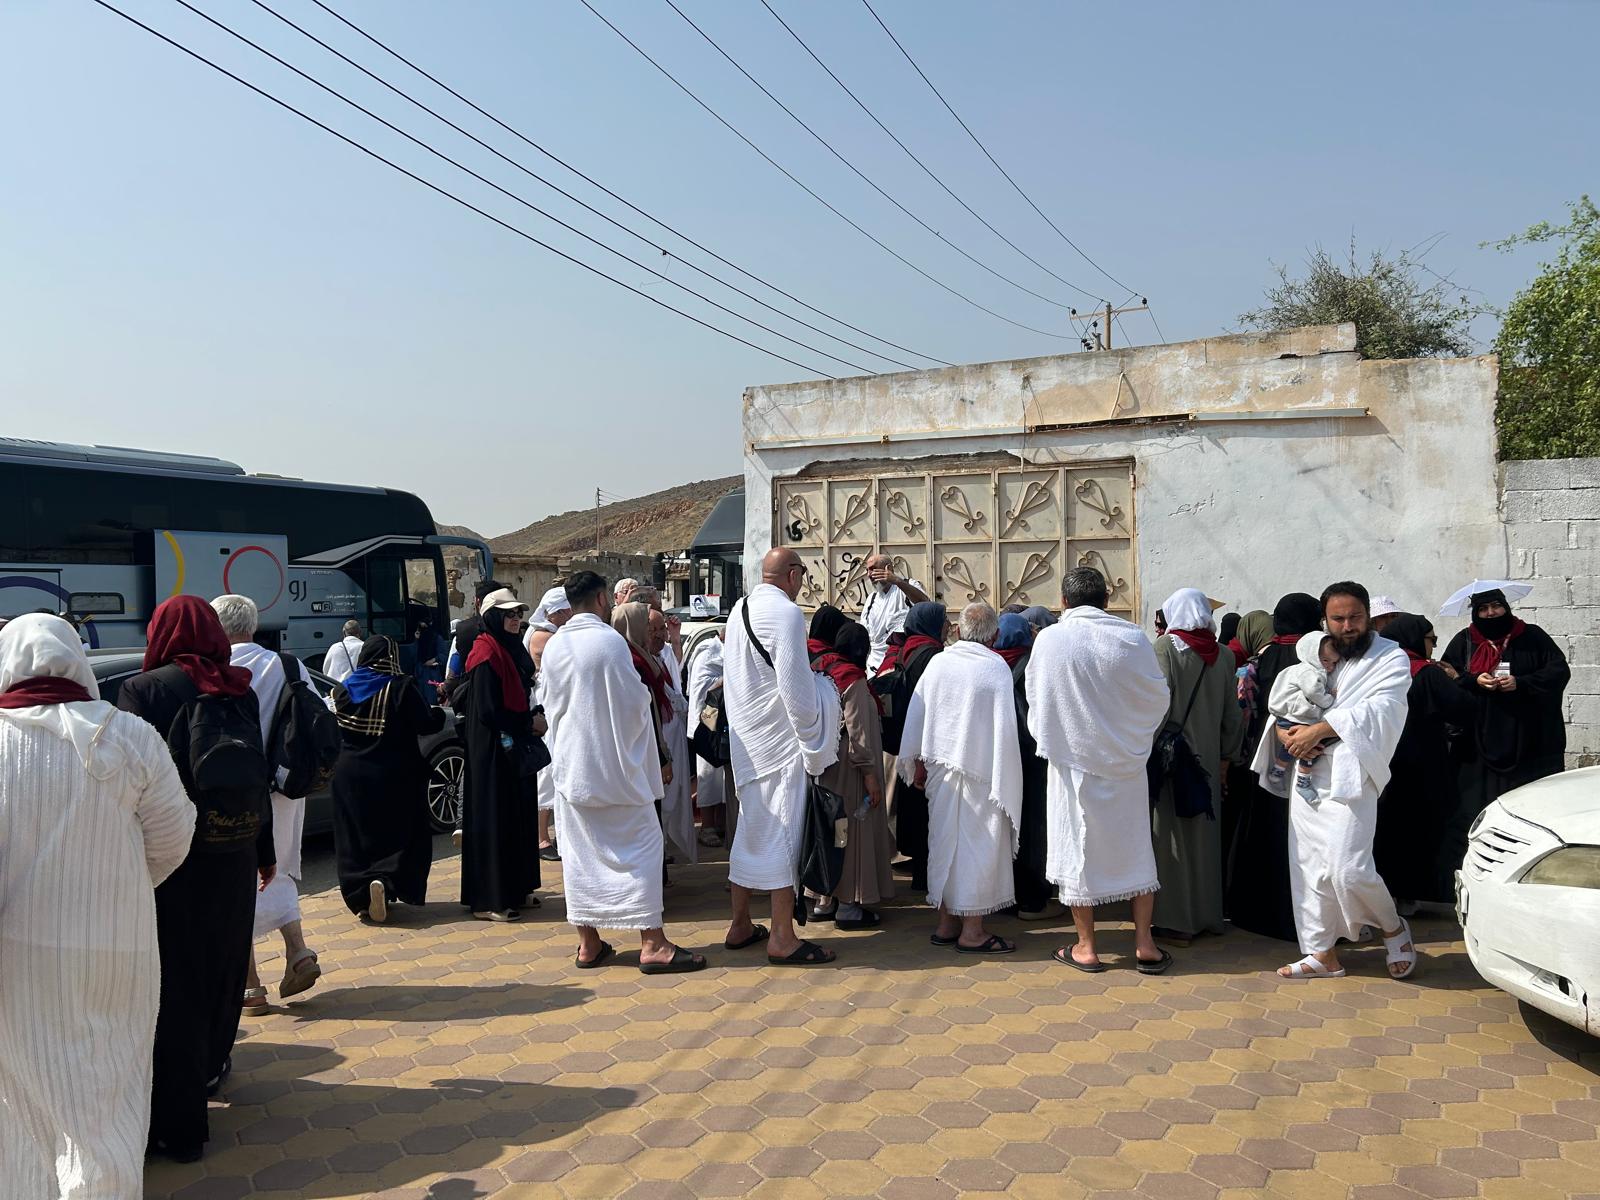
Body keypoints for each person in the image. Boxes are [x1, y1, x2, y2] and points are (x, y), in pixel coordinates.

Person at [0, 615, 195, 1197]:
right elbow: (173, 838)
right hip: (116, 951)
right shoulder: (130, 736)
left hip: (15, 959)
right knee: (109, 1091)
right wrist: (122, 888)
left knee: (21, 1097)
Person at [116, 595, 273, 1161]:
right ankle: (211, 1065)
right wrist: (264, 850)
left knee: (174, 976)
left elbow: (132, 780)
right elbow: (254, 775)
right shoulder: (239, 688)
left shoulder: (145, 690)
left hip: (172, 856)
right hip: (234, 846)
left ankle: (176, 1111)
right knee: (224, 962)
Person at [1249, 582, 1417, 981]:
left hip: (1352, 773)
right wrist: (1286, 732)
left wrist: (1322, 729)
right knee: (1309, 866)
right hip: (1307, 775)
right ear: (1325, 620)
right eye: (1338, 619)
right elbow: (1287, 698)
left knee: (1348, 868)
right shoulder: (1316, 655)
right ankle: (1321, 951)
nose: (1347, 626)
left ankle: (1393, 927)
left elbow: (1385, 709)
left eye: (1355, 617)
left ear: (1369, 616)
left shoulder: (1389, 658)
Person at [542, 572, 707, 974]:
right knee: (644, 848)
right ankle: (653, 943)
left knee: (579, 858)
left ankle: (588, 944)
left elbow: (549, 703)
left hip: (573, 771)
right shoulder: (610, 642)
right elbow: (635, 703)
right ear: (602, 599)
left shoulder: (555, 644)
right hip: (615, 772)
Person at [1027, 568, 1171, 973]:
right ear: (1107, 600)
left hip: (1074, 764)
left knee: (1077, 851)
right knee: (1136, 849)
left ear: (1063, 601)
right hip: (1126, 764)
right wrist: (1129, 736)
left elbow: (1037, 697)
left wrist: (1065, 735)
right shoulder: (1133, 638)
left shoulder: (1051, 639)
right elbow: (1158, 697)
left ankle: (1086, 947)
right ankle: (1145, 944)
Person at [723, 548, 842, 966]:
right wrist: (814, 742)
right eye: (803, 574)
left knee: (750, 831)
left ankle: (740, 924)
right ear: (792, 575)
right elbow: (798, 694)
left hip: (747, 742)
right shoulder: (787, 614)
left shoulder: (739, 609)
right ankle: (782, 937)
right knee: (783, 836)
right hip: (778, 744)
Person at [211, 594, 322, 1009]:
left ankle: (250, 983)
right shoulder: (287, 665)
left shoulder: (216, 670)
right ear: (253, 626)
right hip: (284, 786)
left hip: (235, 788)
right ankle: (297, 950)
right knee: (280, 867)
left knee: (237, 878)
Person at [899, 602, 1022, 953]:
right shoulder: (995, 667)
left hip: (940, 770)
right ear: (994, 635)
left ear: (957, 630)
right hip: (983, 773)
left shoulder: (939, 662)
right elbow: (1005, 729)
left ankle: (946, 923)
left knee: (943, 844)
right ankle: (972, 931)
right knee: (978, 848)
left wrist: (918, 762)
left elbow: (918, 715)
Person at [328, 635, 448, 921]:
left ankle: (360, 895)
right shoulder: (401, 687)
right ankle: (385, 880)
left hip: (347, 775)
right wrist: (440, 714)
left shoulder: (341, 691)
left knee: (354, 835)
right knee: (397, 830)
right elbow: (425, 723)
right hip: (391, 773)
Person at [1225, 595, 1321, 942]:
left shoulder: (1258, 661)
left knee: (1266, 834)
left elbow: (1244, 712)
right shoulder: (1321, 659)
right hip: (1315, 760)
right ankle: (1313, 921)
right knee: (1309, 839)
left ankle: (1258, 914)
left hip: (1266, 762)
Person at [1150, 588, 1242, 944]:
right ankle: (1208, 917)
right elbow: (1232, 715)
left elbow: (1159, 704)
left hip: (1173, 758)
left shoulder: (1166, 648)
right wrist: (1226, 758)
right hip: (1208, 759)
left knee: (1171, 837)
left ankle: (1177, 921)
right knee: (1205, 838)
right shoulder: (1223, 654)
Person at [1374, 614, 1480, 910]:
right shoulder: (1426, 673)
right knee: (1423, 827)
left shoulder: (1376, 670)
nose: (1433, 646)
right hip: (1423, 762)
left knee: (1388, 827)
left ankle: (1386, 892)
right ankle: (1411, 893)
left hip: (1381, 761)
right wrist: (1458, 680)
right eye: (1431, 639)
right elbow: (1464, 708)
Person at [1440, 586, 1570, 823]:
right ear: (1475, 613)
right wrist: (1474, 680)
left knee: (1532, 807)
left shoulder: (1532, 636)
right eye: (1483, 608)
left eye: (1496, 606)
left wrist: (1522, 683)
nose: (1491, 613)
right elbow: (1447, 677)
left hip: (1530, 739)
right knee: (1479, 807)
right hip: (1479, 742)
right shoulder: (1464, 641)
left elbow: (1558, 671)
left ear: (1506, 607)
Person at [459, 589, 543, 922]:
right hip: (492, 752)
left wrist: (528, 718)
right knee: (494, 820)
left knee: (516, 817)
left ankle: (516, 888)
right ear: (493, 617)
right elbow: (489, 710)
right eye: (508, 614)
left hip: (512, 746)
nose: (515, 619)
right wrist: (527, 722)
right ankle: (488, 899)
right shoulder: (485, 652)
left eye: (518, 614)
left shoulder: (508, 649)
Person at [810, 620, 893, 928]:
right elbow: (858, 732)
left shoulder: (823, 671)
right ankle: (848, 906)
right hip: (852, 770)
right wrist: (870, 775)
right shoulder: (853, 679)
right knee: (850, 833)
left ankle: (824, 900)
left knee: (832, 830)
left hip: (826, 764)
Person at [880, 601, 948, 892]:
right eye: (943, 620)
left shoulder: (904, 649)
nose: (948, 626)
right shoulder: (933, 655)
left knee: (916, 811)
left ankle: (920, 874)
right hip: (927, 744)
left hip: (907, 741)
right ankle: (927, 877)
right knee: (930, 814)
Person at [611, 602, 679, 875]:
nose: (654, 634)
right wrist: (663, 758)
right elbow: (648, 713)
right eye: (648, 627)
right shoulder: (633, 663)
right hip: (641, 752)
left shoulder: (637, 657)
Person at [995, 614, 1055, 921]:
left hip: (1000, 759)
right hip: (1032, 759)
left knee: (1003, 824)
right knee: (1034, 827)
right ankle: (1032, 899)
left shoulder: (991, 665)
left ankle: (1004, 895)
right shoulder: (1033, 664)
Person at [1264, 632, 1340, 801]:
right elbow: (1313, 691)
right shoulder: (1309, 671)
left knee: (1290, 745)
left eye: (1334, 663)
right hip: (1297, 717)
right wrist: (1329, 699)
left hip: (1287, 717)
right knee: (1311, 748)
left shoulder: (1298, 668)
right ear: (1312, 655)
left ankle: (1278, 770)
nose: (1330, 667)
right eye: (1325, 660)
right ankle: (1303, 781)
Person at [527, 586, 573, 862]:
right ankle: (540, 836)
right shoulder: (544, 636)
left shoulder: (553, 633)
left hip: (554, 706)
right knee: (546, 772)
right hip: (546, 708)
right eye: (565, 611)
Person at [650, 605, 697, 867]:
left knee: (670, 797)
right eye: (653, 629)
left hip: (670, 734)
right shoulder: (637, 660)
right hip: (656, 742)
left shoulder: (660, 654)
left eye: (662, 629)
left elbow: (674, 675)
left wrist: (676, 639)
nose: (659, 634)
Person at [688, 628, 731, 847]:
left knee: (722, 776)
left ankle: (721, 823)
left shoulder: (728, 652)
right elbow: (700, 691)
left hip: (723, 721)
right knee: (707, 775)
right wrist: (725, 680)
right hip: (707, 720)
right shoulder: (707, 653)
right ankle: (706, 826)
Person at [859, 554, 929, 672]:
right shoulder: (872, 599)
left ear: (889, 568)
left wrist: (897, 581)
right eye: (867, 570)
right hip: (874, 667)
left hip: (901, 664)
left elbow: (925, 604)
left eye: (873, 569)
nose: (869, 574)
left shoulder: (907, 586)